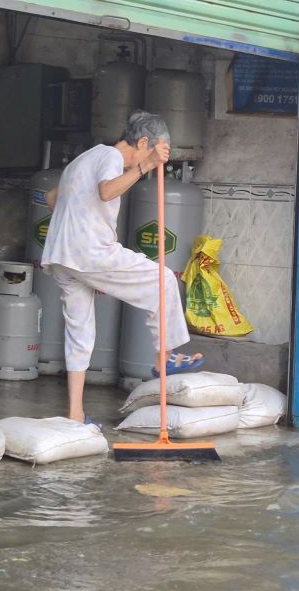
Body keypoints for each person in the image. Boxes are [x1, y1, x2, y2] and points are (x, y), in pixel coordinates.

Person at [40, 110, 203, 424]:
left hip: (61, 255)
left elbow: (51, 199)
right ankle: (165, 357)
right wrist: (145, 166)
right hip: (90, 252)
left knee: (80, 332)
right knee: (164, 279)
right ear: (143, 142)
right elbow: (106, 191)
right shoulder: (114, 157)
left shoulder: (83, 159)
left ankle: (75, 414)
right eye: (149, 151)